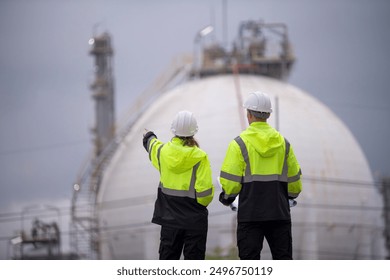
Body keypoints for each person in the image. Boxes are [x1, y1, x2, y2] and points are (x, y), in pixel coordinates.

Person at [219, 91, 302, 260]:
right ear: (268, 115)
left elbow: (231, 182)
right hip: (279, 213)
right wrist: (290, 196)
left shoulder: (239, 144)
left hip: (250, 216)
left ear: (249, 115)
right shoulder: (283, 144)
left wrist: (227, 197)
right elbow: (294, 182)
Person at [143, 110, 214, 260]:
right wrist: (197, 205)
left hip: (169, 220)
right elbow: (205, 194)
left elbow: (151, 145)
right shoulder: (200, 157)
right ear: (193, 132)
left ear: (173, 130)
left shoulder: (162, 152)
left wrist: (149, 136)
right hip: (195, 221)